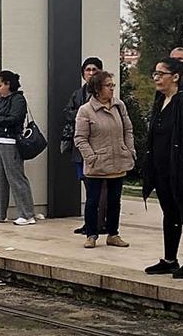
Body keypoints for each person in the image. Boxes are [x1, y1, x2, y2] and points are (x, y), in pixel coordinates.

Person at [142, 57, 183, 279]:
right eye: (155, 74)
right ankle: (170, 259)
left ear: (175, 77)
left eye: (161, 74)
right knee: (170, 214)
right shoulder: (160, 99)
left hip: (182, 171)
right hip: (162, 170)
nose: (156, 78)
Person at [74, 71, 135, 248]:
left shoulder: (119, 106)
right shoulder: (85, 110)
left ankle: (113, 233)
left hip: (118, 161)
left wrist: (129, 150)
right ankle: (91, 234)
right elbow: (80, 138)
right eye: (108, 86)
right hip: (97, 164)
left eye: (112, 85)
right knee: (93, 201)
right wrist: (91, 157)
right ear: (97, 89)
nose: (111, 89)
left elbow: (128, 130)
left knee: (115, 201)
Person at [0, 71, 38, 225]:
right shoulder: (1, 100)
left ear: (8, 84)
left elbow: (15, 119)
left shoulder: (18, 99)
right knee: (0, 178)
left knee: (16, 178)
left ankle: (27, 214)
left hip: (11, 142)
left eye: (0, 86)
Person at [62, 57, 107, 235]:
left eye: (94, 70)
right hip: (80, 147)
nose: (90, 73)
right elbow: (67, 112)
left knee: (101, 187)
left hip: (98, 147)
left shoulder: (104, 94)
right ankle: (90, 222)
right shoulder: (77, 94)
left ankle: (100, 222)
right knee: (88, 185)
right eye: (87, 70)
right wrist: (83, 115)